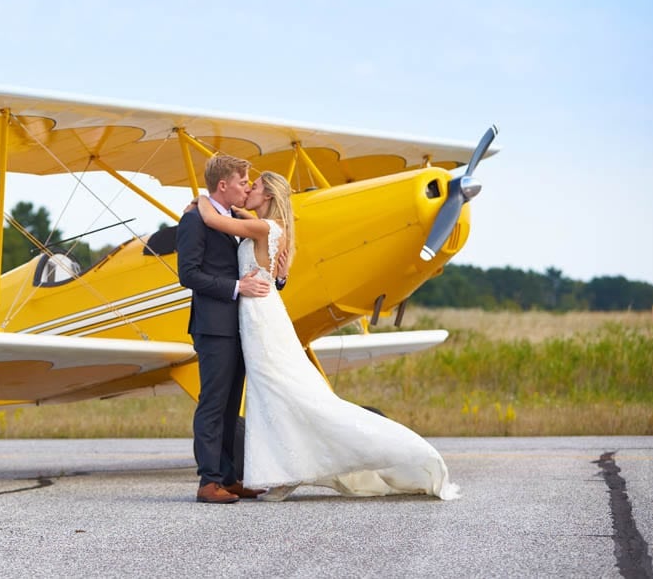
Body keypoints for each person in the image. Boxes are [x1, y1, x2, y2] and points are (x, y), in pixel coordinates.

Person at [195, 170, 461, 501]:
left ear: (268, 197)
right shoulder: (267, 226)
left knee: (280, 391)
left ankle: (288, 473)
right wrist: (235, 209)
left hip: (262, 321)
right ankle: (279, 472)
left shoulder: (264, 228)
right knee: (269, 395)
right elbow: (246, 224)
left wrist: (205, 199)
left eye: (256, 186)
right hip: (255, 318)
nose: (249, 188)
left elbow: (215, 220)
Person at [177, 154, 271, 504]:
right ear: (222, 185)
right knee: (213, 403)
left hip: (239, 327)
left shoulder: (230, 219)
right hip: (213, 327)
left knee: (233, 404)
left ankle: (229, 478)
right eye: (241, 181)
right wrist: (236, 287)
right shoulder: (194, 221)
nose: (247, 187)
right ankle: (208, 482)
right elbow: (188, 275)